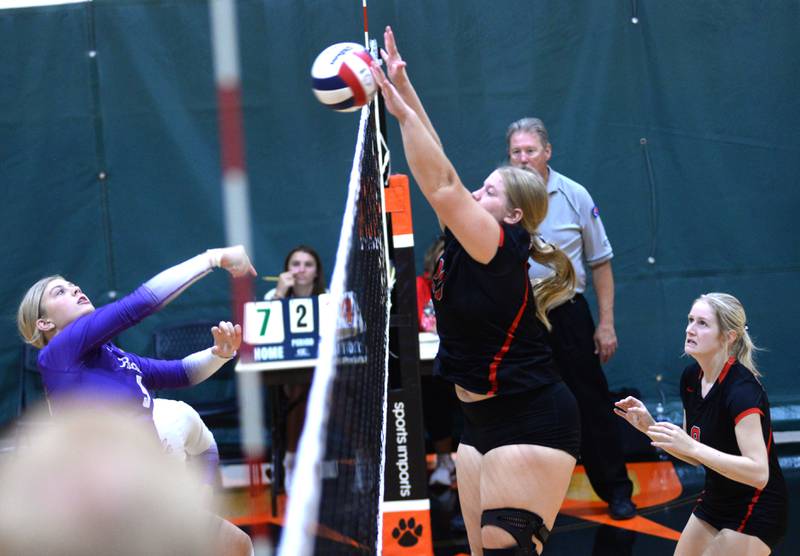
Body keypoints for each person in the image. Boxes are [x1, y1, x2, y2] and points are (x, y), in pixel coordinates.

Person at [372, 27, 580, 555]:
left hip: (531, 417)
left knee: (504, 547)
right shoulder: (468, 240)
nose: (472, 190)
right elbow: (441, 162)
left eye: (487, 191)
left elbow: (439, 183)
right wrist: (404, 83)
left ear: (512, 214)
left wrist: (399, 113)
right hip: (479, 422)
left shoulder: (499, 243)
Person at [16, 244, 257, 556]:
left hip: (143, 492)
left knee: (237, 545)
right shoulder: (58, 352)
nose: (75, 289)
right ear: (45, 323)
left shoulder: (113, 356)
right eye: (60, 292)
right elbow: (139, 304)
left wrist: (219, 355)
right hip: (106, 504)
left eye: (73, 285)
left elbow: (181, 374)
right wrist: (213, 259)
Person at [506, 117, 636, 519]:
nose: (523, 158)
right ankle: (525, 502)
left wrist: (606, 322)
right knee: (521, 408)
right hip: (518, 319)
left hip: (568, 315)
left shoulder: (575, 194)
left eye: (530, 150)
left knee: (591, 403)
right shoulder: (498, 195)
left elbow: (601, 263)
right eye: (516, 152)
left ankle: (616, 490)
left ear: (547, 152)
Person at [615, 293, 787, 555]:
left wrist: (693, 448)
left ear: (729, 337)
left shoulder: (742, 391)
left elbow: (759, 473)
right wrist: (648, 426)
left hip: (757, 504)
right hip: (717, 497)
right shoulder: (691, 378)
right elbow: (693, 455)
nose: (690, 329)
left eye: (702, 323)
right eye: (690, 320)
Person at [263, 245, 326, 491]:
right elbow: (265, 333)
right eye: (295, 264)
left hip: (323, 370)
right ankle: (291, 461)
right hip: (287, 373)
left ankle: (362, 459)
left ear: (316, 273)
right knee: (299, 390)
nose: (301, 269)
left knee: (341, 392)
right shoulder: (273, 296)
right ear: (286, 270)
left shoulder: (327, 297)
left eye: (308, 264)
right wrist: (280, 293)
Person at [416, 236, 457, 487]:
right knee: (435, 388)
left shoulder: (469, 282)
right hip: (429, 359)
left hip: (465, 357)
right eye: (442, 254)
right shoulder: (418, 285)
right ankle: (443, 460)